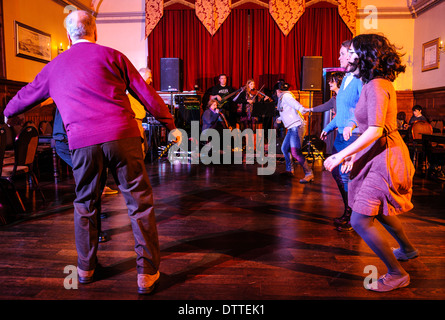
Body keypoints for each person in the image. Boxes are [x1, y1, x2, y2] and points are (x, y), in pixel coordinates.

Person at [4, 10, 182, 295]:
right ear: (94, 32)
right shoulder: (114, 56)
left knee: (85, 204)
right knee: (139, 204)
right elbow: (145, 93)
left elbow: (28, 94)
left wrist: (7, 112)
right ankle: (146, 274)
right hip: (123, 137)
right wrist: (169, 123)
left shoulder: (55, 66)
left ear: (68, 36)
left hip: (83, 142)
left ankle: (85, 269)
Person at [324, 33, 418, 292]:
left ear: (366, 56)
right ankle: (407, 250)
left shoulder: (376, 85)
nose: (347, 56)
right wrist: (355, 154)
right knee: (379, 211)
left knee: (360, 221)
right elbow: (373, 126)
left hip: (385, 158)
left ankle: (396, 274)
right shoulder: (372, 83)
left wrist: (341, 154)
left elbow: (377, 129)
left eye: (353, 52)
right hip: (377, 154)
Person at [320, 40, 362, 232]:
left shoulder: (362, 80)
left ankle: (352, 214)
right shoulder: (345, 78)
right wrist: (328, 127)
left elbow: (363, 108)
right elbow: (342, 111)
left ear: (354, 55)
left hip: (352, 135)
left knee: (345, 176)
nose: (339, 57)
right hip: (339, 133)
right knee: (338, 173)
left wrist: (352, 123)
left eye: (342, 53)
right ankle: (349, 210)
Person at [276, 82, 314, 184]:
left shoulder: (286, 96)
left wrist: (302, 108)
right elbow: (288, 110)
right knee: (285, 148)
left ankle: (309, 173)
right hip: (292, 127)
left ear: (278, 91)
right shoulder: (282, 98)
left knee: (295, 152)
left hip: (296, 126)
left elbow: (294, 104)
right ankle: (289, 170)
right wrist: (279, 118)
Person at [127, 67, 153, 156]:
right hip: (135, 121)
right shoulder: (136, 89)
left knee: (144, 148)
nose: (151, 80)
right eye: (149, 77)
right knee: (140, 150)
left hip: (139, 121)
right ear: (142, 77)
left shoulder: (140, 90)